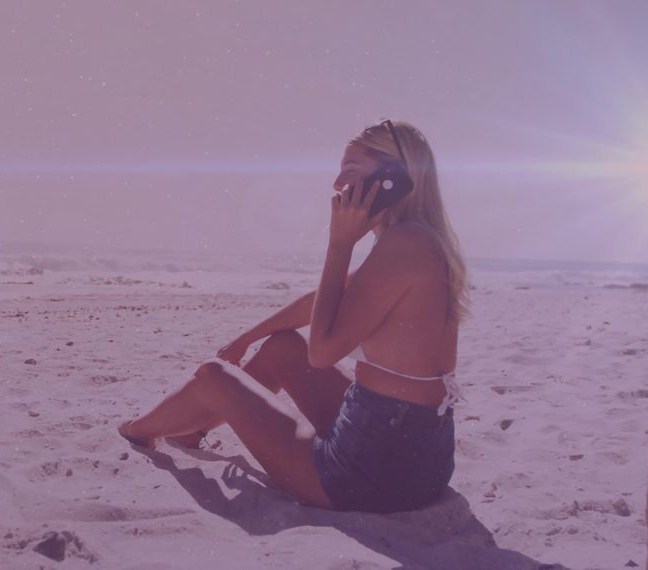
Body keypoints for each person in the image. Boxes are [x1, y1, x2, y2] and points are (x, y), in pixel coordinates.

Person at [118, 119, 470, 513]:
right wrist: (248, 337)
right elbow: (323, 299)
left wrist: (339, 245)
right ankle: (193, 429)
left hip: (367, 476)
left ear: (394, 178)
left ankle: (136, 431)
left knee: (211, 376)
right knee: (284, 347)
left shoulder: (403, 244)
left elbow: (322, 353)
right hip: (417, 458)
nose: (338, 184)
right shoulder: (417, 239)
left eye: (351, 171)